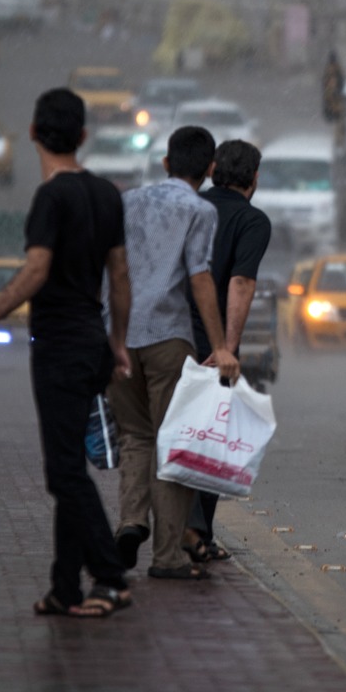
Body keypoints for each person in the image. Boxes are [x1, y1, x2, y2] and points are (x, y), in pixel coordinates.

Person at [0, 88, 133, 619]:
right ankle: (65, 587)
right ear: (83, 137)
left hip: (59, 347)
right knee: (71, 465)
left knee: (64, 473)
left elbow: (35, 272)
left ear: (31, 133)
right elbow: (119, 275)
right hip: (93, 342)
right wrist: (117, 342)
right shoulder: (105, 194)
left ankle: (111, 577)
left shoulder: (50, 199)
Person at [109, 125, 239, 580]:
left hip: (119, 336)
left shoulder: (126, 201)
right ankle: (167, 556)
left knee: (135, 437)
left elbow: (112, 266)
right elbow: (200, 276)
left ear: (165, 163)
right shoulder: (198, 210)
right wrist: (220, 346)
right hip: (167, 337)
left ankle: (130, 522)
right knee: (173, 445)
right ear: (209, 170)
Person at [182, 139, 273, 564]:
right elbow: (241, 283)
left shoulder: (191, 206)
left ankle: (176, 527)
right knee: (209, 436)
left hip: (167, 331)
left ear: (215, 169)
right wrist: (227, 348)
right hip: (207, 339)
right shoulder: (251, 221)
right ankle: (195, 531)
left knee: (171, 431)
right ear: (254, 179)